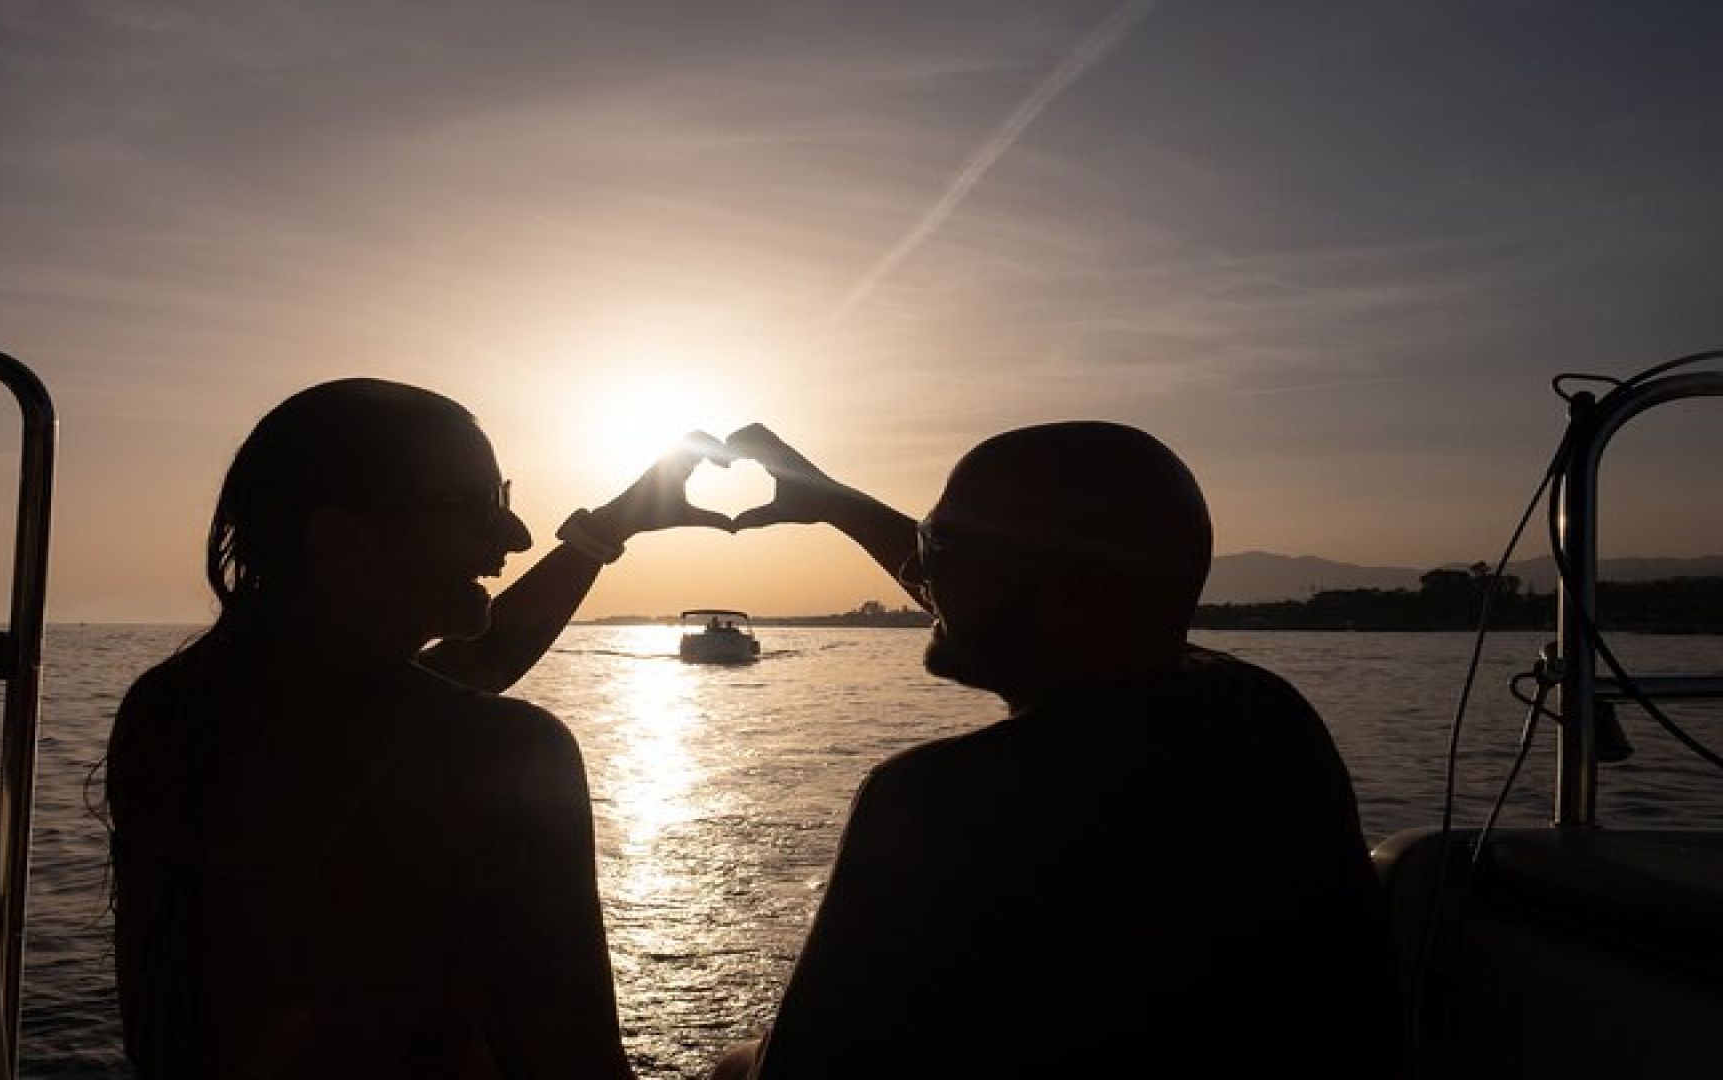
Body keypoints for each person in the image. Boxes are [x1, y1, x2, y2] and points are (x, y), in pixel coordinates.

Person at [711, 422, 1399, 1078]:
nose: (920, 574)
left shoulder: (937, 801)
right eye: (925, 542)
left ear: (1071, 597)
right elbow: (1030, 605)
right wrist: (834, 502)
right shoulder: (1266, 717)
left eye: (942, 549)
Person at [104, 378, 729, 1078]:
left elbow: (474, 668)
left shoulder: (168, 709)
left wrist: (608, 528)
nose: (515, 535)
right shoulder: (511, 753)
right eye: (477, 507)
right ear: (345, 540)